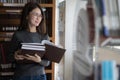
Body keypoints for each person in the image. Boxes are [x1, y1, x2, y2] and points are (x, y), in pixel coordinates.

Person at [10, 2, 50, 80]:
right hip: (21, 76)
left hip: (40, 76)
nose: (38, 18)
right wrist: (15, 56)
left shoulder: (44, 36)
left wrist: (39, 60)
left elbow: (47, 62)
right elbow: (9, 57)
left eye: (40, 16)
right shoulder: (18, 35)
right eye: (36, 14)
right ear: (27, 16)